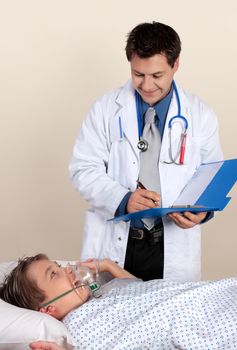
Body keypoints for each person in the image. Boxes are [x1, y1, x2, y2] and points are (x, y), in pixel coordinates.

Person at [69, 21, 223, 282]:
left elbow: (212, 174)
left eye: (157, 75)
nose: (147, 85)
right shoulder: (106, 109)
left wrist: (202, 212)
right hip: (118, 242)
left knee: (172, 318)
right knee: (108, 314)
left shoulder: (200, 115)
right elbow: (82, 169)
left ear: (176, 65)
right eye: (138, 74)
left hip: (172, 244)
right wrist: (123, 199)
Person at [1, 254, 237, 350]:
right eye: (54, 274)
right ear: (47, 309)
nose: (68, 270)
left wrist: (108, 267)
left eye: (60, 266)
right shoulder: (80, 330)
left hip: (217, 293)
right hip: (212, 322)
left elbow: (139, 289)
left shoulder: (102, 293)